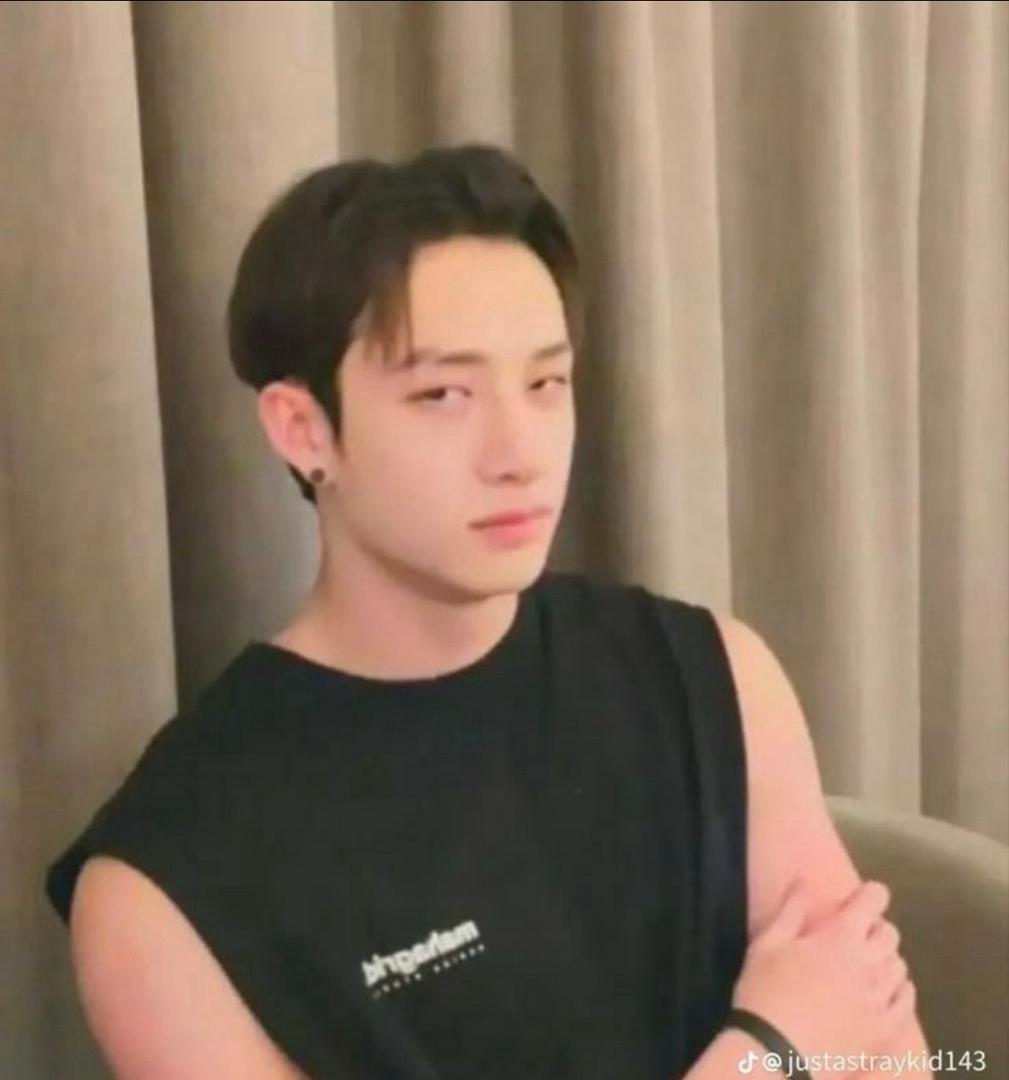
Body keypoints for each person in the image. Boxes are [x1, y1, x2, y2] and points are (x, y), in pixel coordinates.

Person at [45, 143, 930, 1080]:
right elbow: (814, 1043)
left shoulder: (712, 676)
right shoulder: (163, 888)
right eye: (443, 395)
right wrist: (769, 1052)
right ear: (305, 431)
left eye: (545, 384)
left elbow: (893, 1061)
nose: (518, 452)